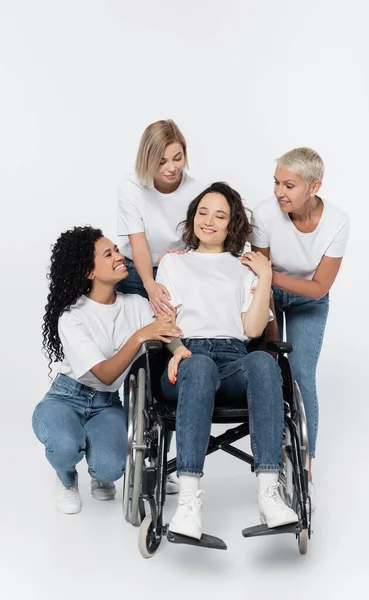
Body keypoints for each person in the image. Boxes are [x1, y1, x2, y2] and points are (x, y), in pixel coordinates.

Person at [156, 183, 298, 539]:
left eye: (220, 215)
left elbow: (252, 329)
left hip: (234, 358)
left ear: (231, 223)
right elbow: (163, 321)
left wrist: (264, 275)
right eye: (203, 212)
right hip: (187, 357)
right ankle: (189, 502)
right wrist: (177, 351)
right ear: (192, 216)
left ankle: (269, 494)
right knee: (200, 366)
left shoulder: (243, 268)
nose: (209, 221)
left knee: (264, 362)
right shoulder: (173, 262)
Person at [32, 226, 181, 514]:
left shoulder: (136, 305)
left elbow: (170, 328)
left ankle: (97, 467)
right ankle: (66, 478)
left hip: (107, 403)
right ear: (89, 271)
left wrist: (172, 265)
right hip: (66, 397)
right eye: (108, 253)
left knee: (111, 469)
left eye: (116, 249)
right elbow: (105, 374)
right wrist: (139, 336)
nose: (119, 257)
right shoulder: (72, 317)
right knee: (64, 445)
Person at [249, 147, 350, 494]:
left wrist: (272, 276)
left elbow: (319, 288)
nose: (279, 192)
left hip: (310, 300)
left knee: (303, 374)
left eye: (289, 185)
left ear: (313, 186)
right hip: (270, 297)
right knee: (273, 370)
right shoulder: (264, 214)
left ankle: (305, 463)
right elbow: (259, 280)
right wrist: (273, 336)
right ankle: (274, 458)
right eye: (276, 182)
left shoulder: (337, 221)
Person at [116, 119, 205, 314]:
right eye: (162, 161)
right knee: (137, 334)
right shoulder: (131, 188)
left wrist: (186, 255)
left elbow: (203, 241)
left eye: (177, 158)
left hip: (176, 270)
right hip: (134, 272)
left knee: (174, 334)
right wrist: (149, 283)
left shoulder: (197, 191)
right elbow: (138, 243)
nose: (172, 168)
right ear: (147, 158)